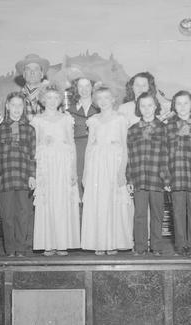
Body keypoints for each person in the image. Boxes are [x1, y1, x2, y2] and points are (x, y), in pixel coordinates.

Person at [81, 85, 134, 255]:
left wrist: (121, 171)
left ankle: (112, 242)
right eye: (99, 98)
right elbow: (89, 147)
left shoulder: (120, 119)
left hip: (114, 162)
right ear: (96, 101)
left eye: (106, 97)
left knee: (113, 202)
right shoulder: (94, 120)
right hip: (96, 164)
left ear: (113, 99)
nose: (103, 101)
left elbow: (125, 147)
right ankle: (99, 242)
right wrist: (85, 172)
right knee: (99, 202)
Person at [31, 86, 80, 256]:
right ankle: (48, 243)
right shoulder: (37, 120)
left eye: (55, 98)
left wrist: (73, 169)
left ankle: (62, 243)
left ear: (59, 100)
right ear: (43, 100)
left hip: (63, 164)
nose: (52, 101)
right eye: (48, 98)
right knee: (47, 202)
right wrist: (44, 142)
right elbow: (35, 145)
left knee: (62, 201)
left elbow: (71, 143)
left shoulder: (66, 119)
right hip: (45, 165)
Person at [0, 92, 36, 257]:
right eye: (14, 105)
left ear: (23, 108)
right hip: (6, 178)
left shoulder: (30, 130)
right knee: (7, 215)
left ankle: (21, 248)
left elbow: (32, 155)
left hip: (24, 178)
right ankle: (10, 249)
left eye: (20, 106)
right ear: (7, 106)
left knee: (23, 214)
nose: (17, 109)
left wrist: (32, 175)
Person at [126, 92, 169, 256]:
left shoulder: (163, 129)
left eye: (150, 105)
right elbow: (130, 156)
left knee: (157, 214)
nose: (147, 109)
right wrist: (129, 178)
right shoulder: (133, 130)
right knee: (140, 215)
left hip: (157, 178)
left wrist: (166, 178)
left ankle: (157, 247)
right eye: (143, 105)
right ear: (138, 108)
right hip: (139, 178)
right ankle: (140, 246)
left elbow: (167, 154)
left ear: (156, 106)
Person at [166, 90, 191, 257]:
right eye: (178, 103)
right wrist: (166, 178)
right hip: (175, 176)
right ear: (174, 106)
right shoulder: (168, 128)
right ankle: (181, 244)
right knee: (178, 211)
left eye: (185, 103)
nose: (182, 107)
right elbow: (164, 153)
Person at [67, 77, 99, 199]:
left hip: (96, 150)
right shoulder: (69, 111)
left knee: (95, 182)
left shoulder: (100, 108)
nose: (84, 89)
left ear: (92, 88)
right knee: (79, 180)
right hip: (77, 150)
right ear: (76, 89)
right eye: (81, 86)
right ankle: (80, 216)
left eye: (87, 86)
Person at [15, 54, 50, 120]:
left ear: (42, 74)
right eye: (28, 69)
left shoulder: (53, 96)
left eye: (36, 69)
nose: (32, 72)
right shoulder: (15, 99)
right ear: (24, 74)